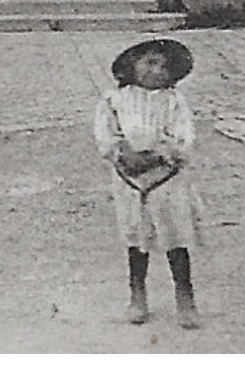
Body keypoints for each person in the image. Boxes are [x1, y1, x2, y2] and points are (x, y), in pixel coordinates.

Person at [94, 37, 202, 329]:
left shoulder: (173, 102)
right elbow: (107, 133)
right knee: (136, 238)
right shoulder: (114, 100)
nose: (157, 71)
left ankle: (185, 295)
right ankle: (137, 294)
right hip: (130, 178)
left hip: (165, 178)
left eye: (165, 67)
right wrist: (123, 153)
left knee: (174, 237)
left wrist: (158, 155)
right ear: (131, 64)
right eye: (150, 63)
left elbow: (183, 137)